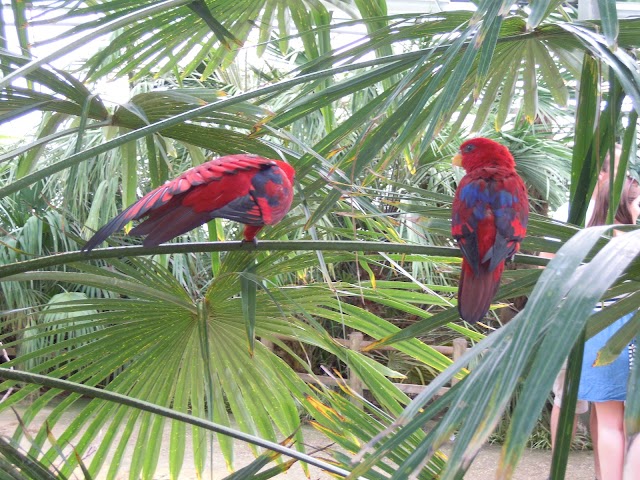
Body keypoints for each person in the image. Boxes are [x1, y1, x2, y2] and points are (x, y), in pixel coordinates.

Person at [577, 175, 640, 480]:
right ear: (626, 203)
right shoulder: (634, 240)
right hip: (630, 327)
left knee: (608, 422)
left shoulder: (584, 242)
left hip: (596, 331)